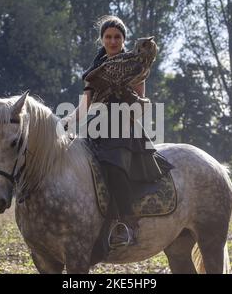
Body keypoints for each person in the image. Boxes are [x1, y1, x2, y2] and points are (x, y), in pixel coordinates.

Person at [64, 15, 173, 248]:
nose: (112, 41)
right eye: (108, 37)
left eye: (117, 37)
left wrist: (128, 98)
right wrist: (66, 122)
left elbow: (141, 103)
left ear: (123, 39)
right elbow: (85, 106)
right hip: (98, 126)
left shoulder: (135, 64)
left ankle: (126, 224)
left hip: (126, 127)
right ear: (102, 39)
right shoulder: (94, 70)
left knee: (114, 165)